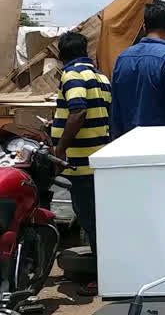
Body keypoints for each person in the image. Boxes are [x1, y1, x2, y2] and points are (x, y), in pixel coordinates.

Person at [51, 32, 111, 296]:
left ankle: (103, 278)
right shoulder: (102, 77)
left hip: (81, 164)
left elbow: (78, 111)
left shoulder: (72, 75)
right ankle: (107, 272)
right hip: (99, 160)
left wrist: (60, 150)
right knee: (101, 220)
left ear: (62, 56)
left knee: (91, 221)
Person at [111, 1, 165, 138]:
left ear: (144, 27)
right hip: (160, 150)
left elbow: (115, 112)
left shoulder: (122, 58)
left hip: (126, 147)